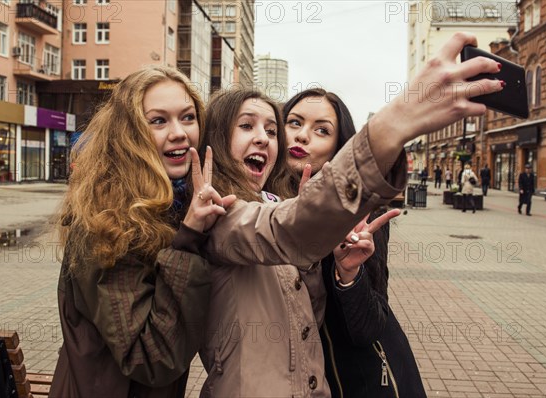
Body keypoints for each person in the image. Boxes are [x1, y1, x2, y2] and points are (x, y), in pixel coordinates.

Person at [174, 31, 502, 397]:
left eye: (271, 128)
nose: (279, 138)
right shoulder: (219, 211)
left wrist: (347, 272)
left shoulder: (288, 203)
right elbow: (288, 229)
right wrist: (395, 123)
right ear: (218, 139)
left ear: (337, 145)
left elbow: (319, 316)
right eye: (250, 126)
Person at [49, 66, 237, 397]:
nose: (179, 132)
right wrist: (189, 239)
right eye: (158, 120)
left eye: (188, 117)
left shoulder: (173, 202)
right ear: (130, 134)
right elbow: (152, 357)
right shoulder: (108, 219)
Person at [283, 88, 427, 397]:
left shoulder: (361, 211)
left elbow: (369, 325)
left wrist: (348, 274)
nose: (303, 136)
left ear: (338, 146)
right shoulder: (260, 205)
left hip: (355, 376)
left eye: (322, 130)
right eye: (294, 123)